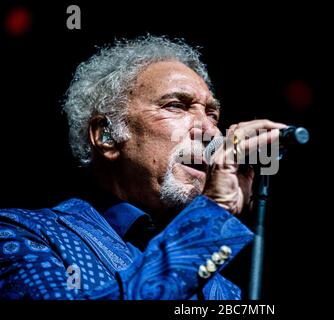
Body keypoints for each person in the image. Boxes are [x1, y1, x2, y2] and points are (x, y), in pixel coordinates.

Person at [0, 35, 286, 299]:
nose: (211, 132)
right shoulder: (24, 235)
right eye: (176, 105)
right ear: (106, 135)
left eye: (212, 114)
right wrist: (214, 214)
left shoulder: (225, 291)